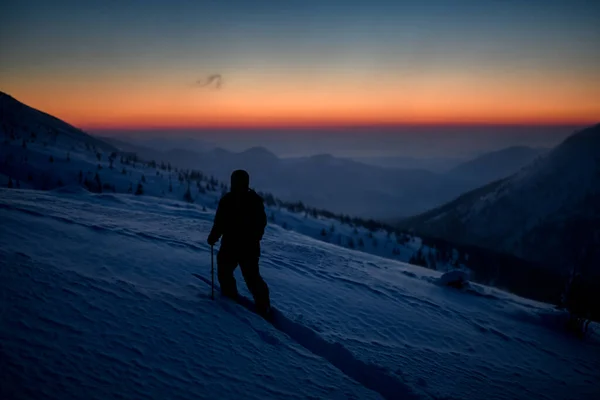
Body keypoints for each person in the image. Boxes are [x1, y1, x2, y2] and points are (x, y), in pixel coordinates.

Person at [207, 170, 271, 317]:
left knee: (225, 271)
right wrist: (255, 238)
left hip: (231, 245)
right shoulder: (254, 200)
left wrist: (213, 237)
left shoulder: (227, 200)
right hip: (249, 247)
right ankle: (264, 305)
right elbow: (262, 223)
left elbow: (219, 224)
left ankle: (230, 297)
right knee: (252, 277)